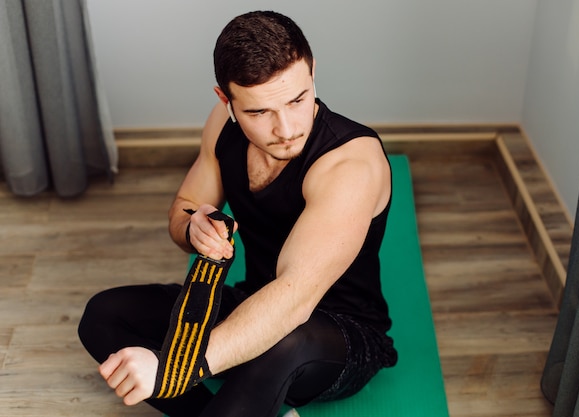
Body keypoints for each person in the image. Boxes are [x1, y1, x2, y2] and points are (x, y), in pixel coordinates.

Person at [78, 10, 397, 417]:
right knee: (104, 315)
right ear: (226, 100)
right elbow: (185, 208)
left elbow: (294, 299)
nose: (286, 128)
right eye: (259, 113)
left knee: (286, 341)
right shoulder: (222, 125)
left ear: (313, 72)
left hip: (338, 335)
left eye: (298, 100)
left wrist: (171, 369)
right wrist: (193, 228)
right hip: (253, 304)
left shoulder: (350, 163)